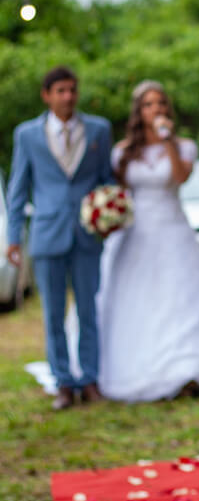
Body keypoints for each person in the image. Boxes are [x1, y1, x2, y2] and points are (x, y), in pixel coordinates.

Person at [96, 80, 199, 401]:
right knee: (138, 300)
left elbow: (180, 177)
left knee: (182, 299)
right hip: (134, 234)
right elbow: (118, 191)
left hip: (172, 230)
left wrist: (168, 141)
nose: (156, 109)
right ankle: (142, 366)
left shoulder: (184, 146)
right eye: (149, 105)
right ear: (138, 112)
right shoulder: (123, 152)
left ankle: (190, 369)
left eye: (161, 103)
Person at [6, 66, 113, 410]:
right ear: (47, 95)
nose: (68, 97)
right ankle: (63, 382)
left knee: (88, 310)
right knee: (53, 314)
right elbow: (18, 187)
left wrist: (109, 214)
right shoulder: (27, 134)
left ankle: (90, 379)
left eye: (72, 90)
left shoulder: (98, 130)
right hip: (47, 233)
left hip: (87, 234)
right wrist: (13, 238)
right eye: (61, 91)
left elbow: (106, 180)